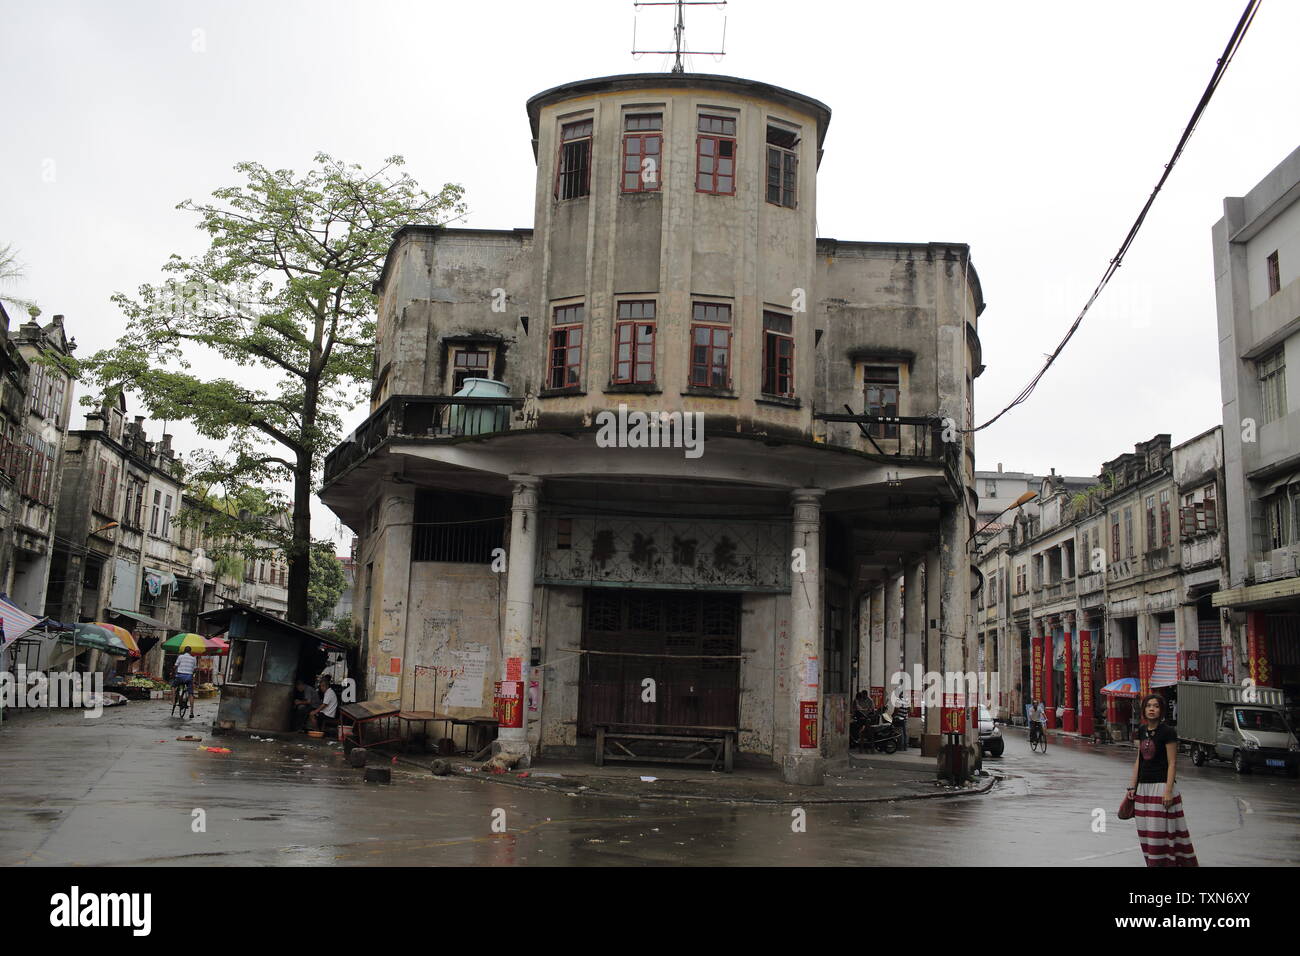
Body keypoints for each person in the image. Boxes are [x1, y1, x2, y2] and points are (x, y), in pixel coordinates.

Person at [1126, 693, 1198, 867]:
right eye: (1149, 706)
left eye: (1156, 706)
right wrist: (1131, 786)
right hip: (1143, 789)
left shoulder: (1168, 732)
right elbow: (1139, 760)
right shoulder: (1142, 731)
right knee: (1146, 835)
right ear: (1144, 709)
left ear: (1161, 710)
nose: (1152, 709)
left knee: (1160, 835)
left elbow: (1172, 763)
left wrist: (1168, 791)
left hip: (1161, 788)